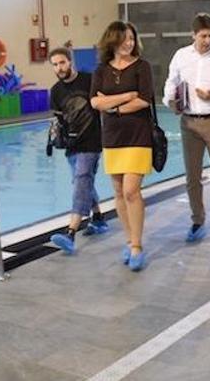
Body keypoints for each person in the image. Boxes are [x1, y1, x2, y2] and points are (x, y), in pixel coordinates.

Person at [162, 13, 210, 243]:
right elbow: (171, 81)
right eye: (203, 36)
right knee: (192, 176)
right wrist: (170, 100)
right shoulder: (181, 56)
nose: (207, 40)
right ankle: (198, 220)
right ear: (193, 34)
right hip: (188, 122)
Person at [90, 20, 154, 271]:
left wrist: (113, 106)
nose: (129, 43)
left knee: (130, 190)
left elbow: (145, 100)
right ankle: (129, 240)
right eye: (124, 38)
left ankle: (137, 245)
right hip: (112, 137)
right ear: (112, 41)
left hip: (138, 135)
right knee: (118, 191)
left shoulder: (142, 67)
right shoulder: (101, 71)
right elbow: (95, 102)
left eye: (131, 38)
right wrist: (127, 96)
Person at [47, 46, 105, 255]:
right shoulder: (55, 91)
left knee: (81, 177)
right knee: (82, 180)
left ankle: (71, 232)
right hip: (72, 144)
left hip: (92, 141)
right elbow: (60, 119)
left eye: (62, 62)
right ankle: (98, 218)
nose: (59, 67)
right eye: (55, 64)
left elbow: (102, 105)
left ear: (70, 61)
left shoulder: (89, 80)